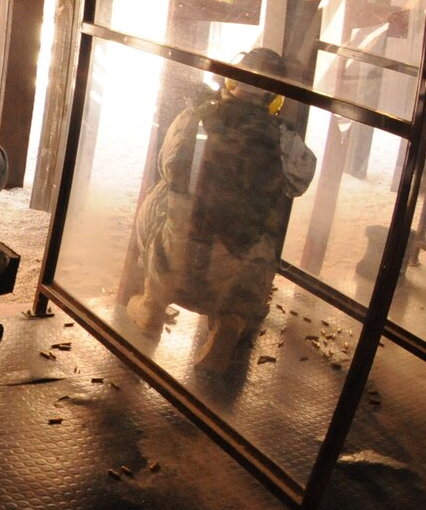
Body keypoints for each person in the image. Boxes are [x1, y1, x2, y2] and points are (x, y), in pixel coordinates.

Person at [124, 47, 317, 369]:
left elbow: (167, 166)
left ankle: (151, 308)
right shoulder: (284, 139)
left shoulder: (193, 117)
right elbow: (299, 183)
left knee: (162, 195)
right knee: (264, 238)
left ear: (227, 83)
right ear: (276, 99)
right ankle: (230, 323)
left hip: (174, 262)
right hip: (235, 273)